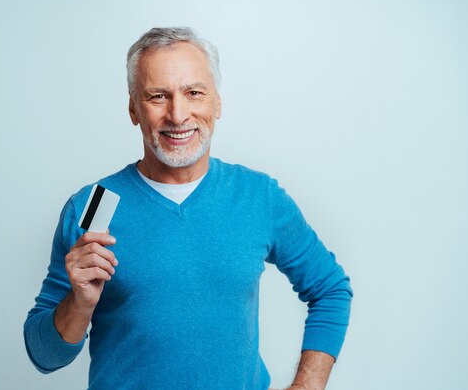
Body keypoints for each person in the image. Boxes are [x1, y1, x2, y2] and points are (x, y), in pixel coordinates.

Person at [24, 27, 352, 390]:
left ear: (217, 103)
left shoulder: (259, 197)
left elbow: (330, 289)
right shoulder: (92, 205)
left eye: (194, 93)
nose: (178, 115)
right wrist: (80, 303)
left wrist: (307, 384)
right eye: (158, 96)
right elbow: (45, 356)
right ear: (134, 108)